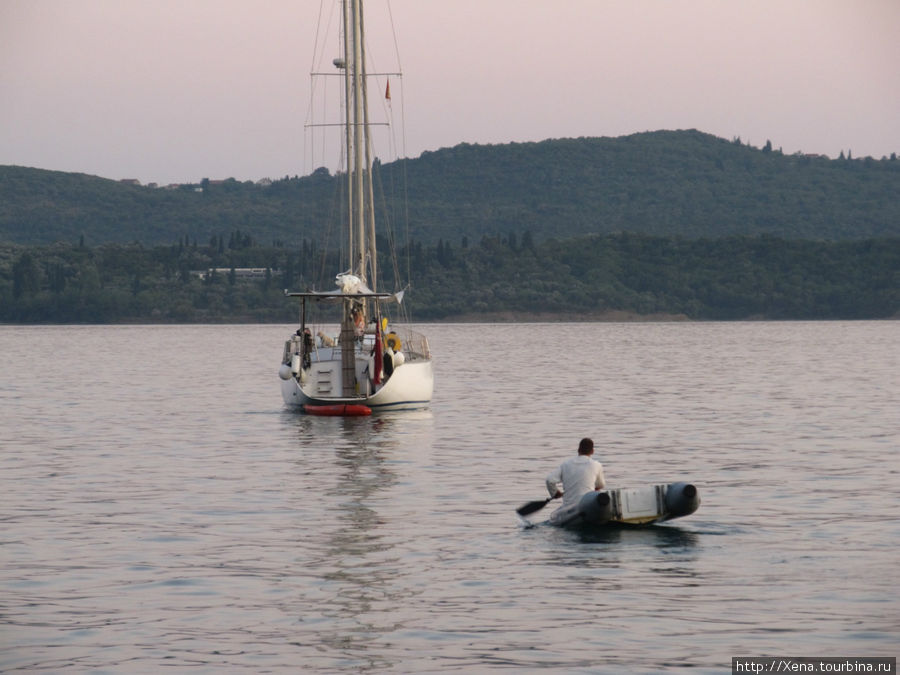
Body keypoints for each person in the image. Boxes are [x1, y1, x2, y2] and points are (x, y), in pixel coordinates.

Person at [545, 438, 606, 508]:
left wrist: (555, 493)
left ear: (578, 450)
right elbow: (600, 485)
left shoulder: (566, 464)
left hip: (568, 506)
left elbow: (549, 480)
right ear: (592, 451)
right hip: (588, 506)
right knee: (597, 490)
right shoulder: (597, 465)